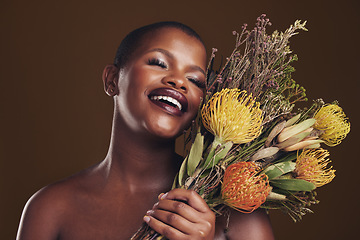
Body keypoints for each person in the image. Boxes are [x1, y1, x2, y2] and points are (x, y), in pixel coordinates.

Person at [16, 21, 274, 240]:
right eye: (159, 63)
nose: (178, 81)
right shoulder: (51, 208)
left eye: (195, 80)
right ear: (112, 80)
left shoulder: (235, 211)